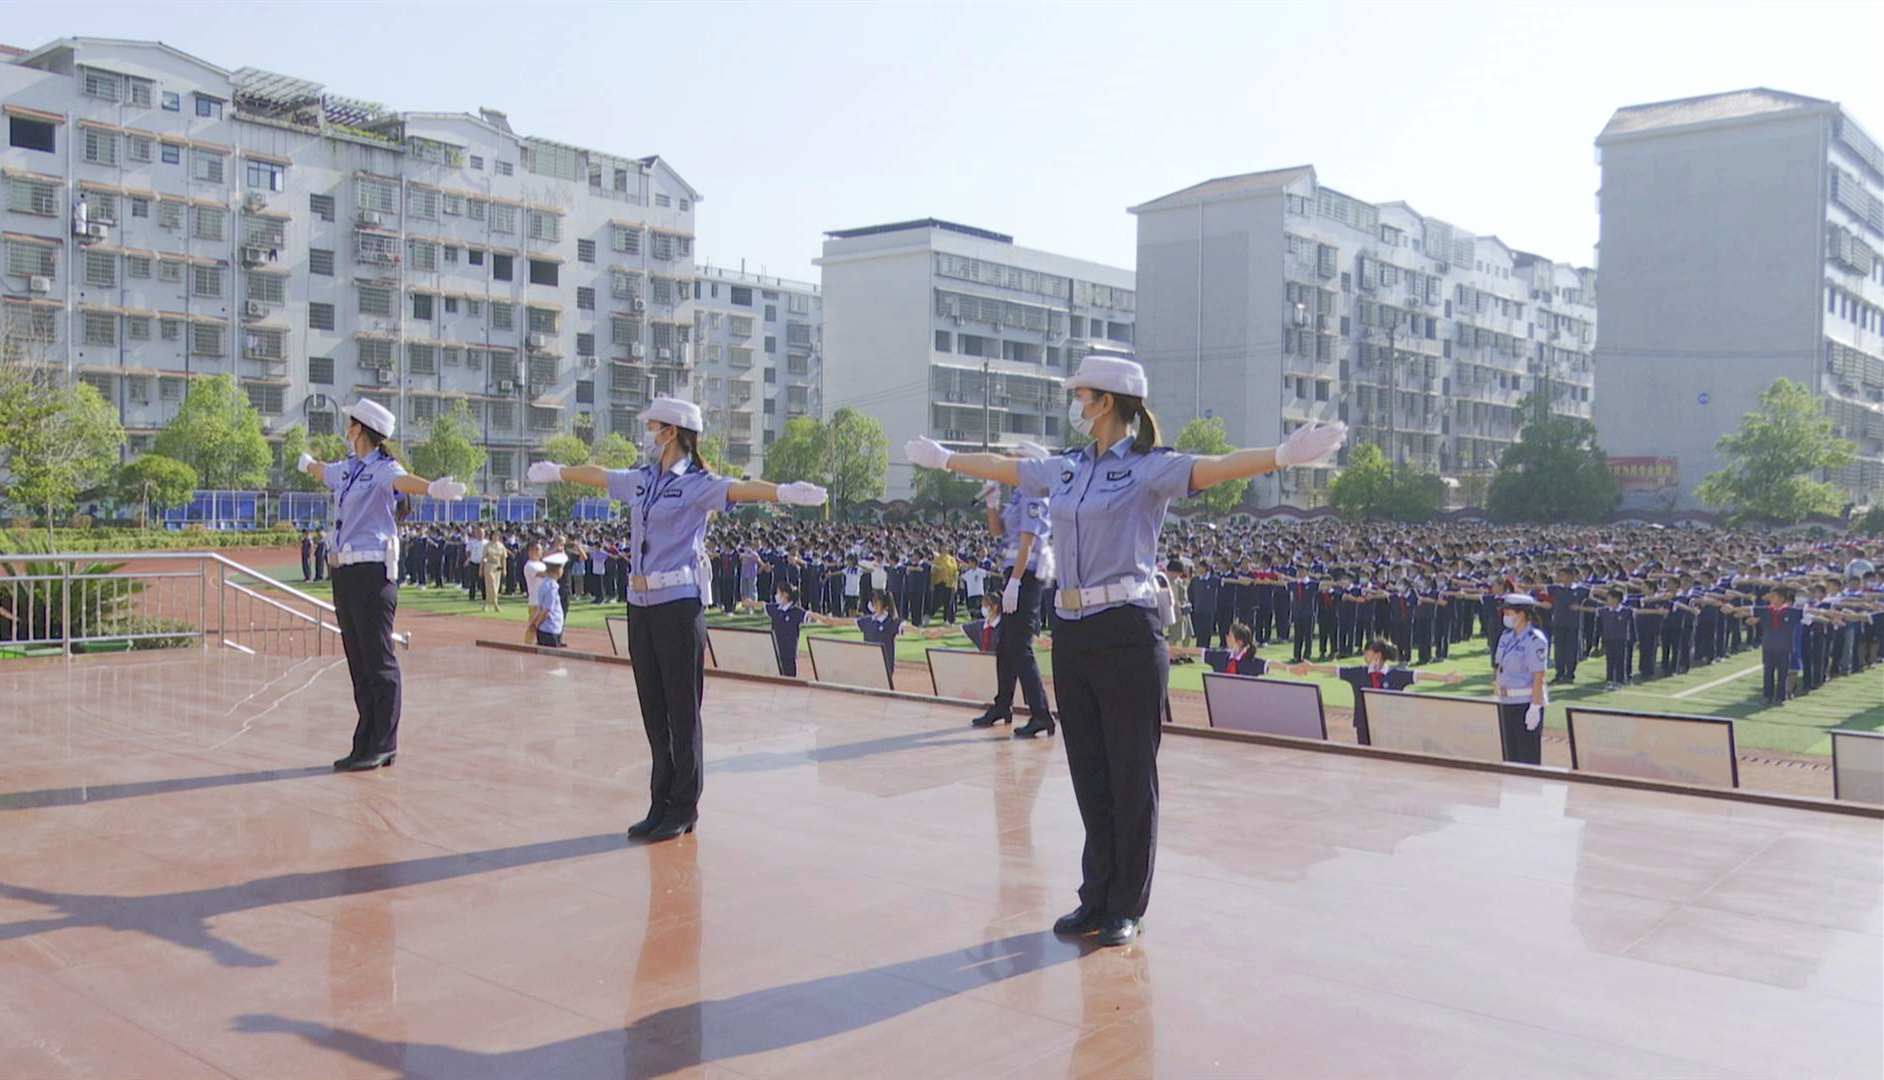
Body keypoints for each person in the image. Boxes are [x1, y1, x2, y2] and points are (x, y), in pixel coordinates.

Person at [906, 352, 1345, 948]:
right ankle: (1095, 896)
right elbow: (1009, 469)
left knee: (1130, 772)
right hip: (1072, 628)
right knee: (1088, 771)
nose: (1075, 405)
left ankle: (1126, 903)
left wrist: (1281, 455)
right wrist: (946, 459)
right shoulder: (1064, 468)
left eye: (1081, 395)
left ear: (1106, 402)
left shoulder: (1149, 468)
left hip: (1128, 630)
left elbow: (1215, 466)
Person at [529, 397, 826, 843]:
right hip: (641, 604)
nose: (650, 433)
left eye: (655, 427)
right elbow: (600, 475)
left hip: (678, 603)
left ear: (673, 431)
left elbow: (740, 489)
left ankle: (684, 807)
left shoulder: (697, 484)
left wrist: (783, 492)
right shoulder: (644, 480)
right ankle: (659, 801)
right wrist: (559, 472)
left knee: (682, 711)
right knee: (653, 709)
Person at [295, 399, 467, 771]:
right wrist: (306, 463)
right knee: (358, 661)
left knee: (378, 660)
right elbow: (321, 471)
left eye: (349, 423)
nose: (345, 428)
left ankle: (384, 743)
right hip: (343, 572)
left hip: (372, 573)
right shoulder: (346, 469)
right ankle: (365, 740)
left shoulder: (384, 469)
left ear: (361, 429)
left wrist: (433, 489)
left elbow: (403, 482)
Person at [976, 447, 1057, 739]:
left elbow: (1027, 543)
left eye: (1015, 458)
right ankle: (1003, 705)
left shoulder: (1036, 495)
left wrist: (1016, 583)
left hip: (1027, 575)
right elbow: (997, 531)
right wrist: (992, 503)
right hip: (1013, 573)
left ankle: (1041, 714)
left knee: (1020, 647)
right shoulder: (1019, 495)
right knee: (1006, 646)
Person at [1291, 639, 1462, 744]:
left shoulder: (1396, 675)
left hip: (1389, 726)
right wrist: (1312, 667)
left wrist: (1444, 678)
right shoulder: (1358, 673)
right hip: (1363, 724)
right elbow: (1335, 670)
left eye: (1368, 651)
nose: (1365, 654)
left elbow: (1420, 675)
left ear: (1377, 655)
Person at [1492, 594, 1550, 766]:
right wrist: (1496, 692)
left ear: (1521, 614)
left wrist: (1534, 707)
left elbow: (1538, 675)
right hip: (1506, 701)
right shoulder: (1506, 637)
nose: (1505, 616)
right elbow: (1499, 668)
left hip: (1525, 703)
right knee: (1510, 756)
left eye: (1508, 612)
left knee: (1527, 757)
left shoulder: (1535, 639)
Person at [527, 553, 567, 647]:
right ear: (558, 571)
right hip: (550, 628)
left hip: (548, 628)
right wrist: (537, 624)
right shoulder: (552, 587)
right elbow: (546, 610)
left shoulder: (544, 583)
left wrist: (535, 621)